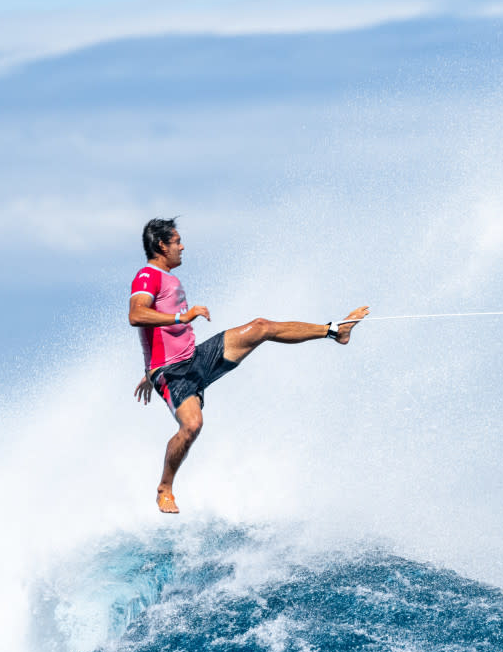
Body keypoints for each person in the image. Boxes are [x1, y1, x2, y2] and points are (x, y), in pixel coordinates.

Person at [129, 217, 368, 513]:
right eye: (176, 241)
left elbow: (155, 333)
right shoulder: (147, 275)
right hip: (174, 373)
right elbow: (137, 315)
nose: (182, 246)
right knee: (192, 425)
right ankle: (165, 487)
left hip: (197, 358)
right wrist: (180, 321)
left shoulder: (170, 279)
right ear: (161, 245)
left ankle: (334, 331)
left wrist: (146, 368)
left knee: (260, 327)